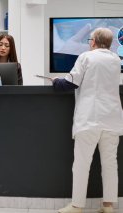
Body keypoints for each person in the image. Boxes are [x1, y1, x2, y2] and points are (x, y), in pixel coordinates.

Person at [51, 28, 123, 213]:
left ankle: (77, 206)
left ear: (93, 41)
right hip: (112, 119)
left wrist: (57, 81)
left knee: (82, 164)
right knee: (110, 163)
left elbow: (69, 83)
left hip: (89, 118)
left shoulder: (86, 57)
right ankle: (108, 205)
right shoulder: (116, 60)